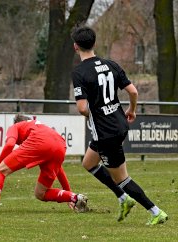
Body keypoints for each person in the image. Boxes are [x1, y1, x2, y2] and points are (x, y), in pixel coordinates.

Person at [71, 26, 168, 225]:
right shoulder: (110, 64)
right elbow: (133, 92)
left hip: (106, 132)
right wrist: (131, 110)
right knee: (88, 163)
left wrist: (97, 113)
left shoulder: (79, 72)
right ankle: (123, 198)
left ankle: (156, 211)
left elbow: (82, 108)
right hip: (119, 124)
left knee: (122, 178)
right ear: (94, 43)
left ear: (75, 47)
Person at [0, 114, 89, 213]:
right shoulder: (40, 127)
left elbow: (9, 145)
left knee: (0, 171)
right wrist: (69, 195)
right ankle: (75, 197)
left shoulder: (16, 126)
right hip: (60, 145)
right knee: (40, 193)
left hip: (39, 143)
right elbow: (59, 171)